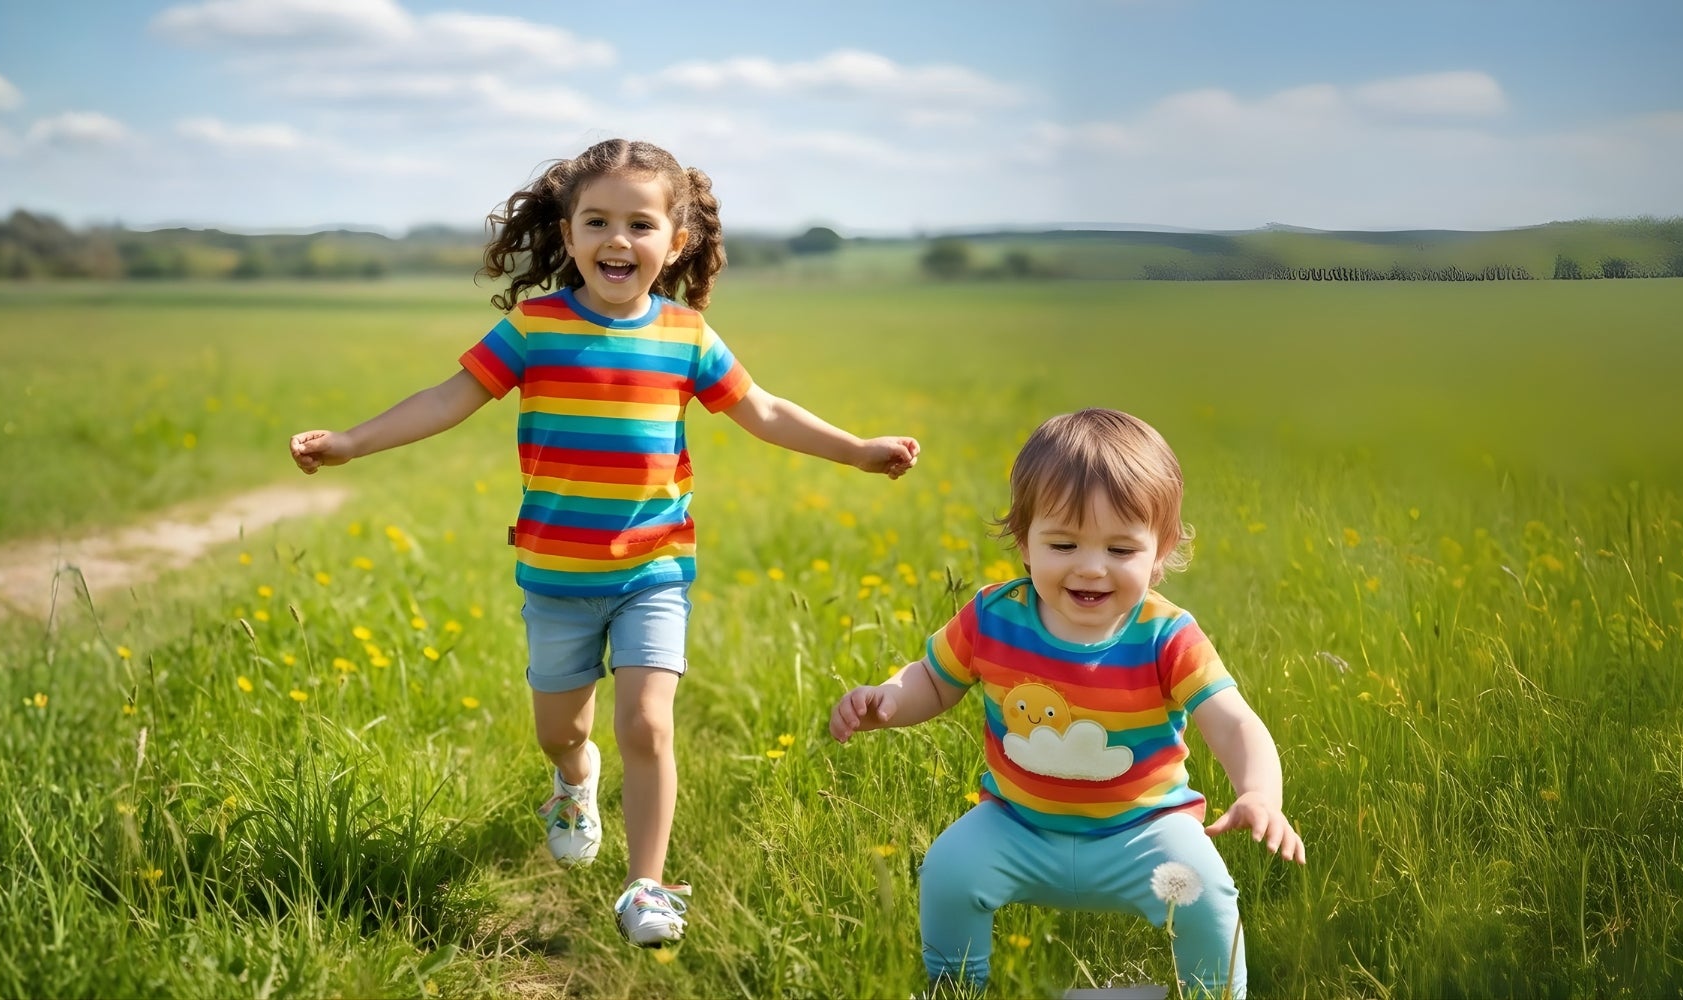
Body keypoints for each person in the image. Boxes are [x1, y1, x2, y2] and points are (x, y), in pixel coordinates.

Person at [287, 138, 919, 946]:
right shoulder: (536, 327)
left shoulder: (687, 336)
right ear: (570, 230)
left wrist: (858, 449)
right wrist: (351, 441)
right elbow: (448, 399)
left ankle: (647, 886)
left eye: (639, 223)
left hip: (655, 569)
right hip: (554, 574)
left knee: (648, 725)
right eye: (597, 221)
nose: (618, 240)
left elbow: (762, 409)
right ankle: (572, 782)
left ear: (674, 241)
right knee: (565, 731)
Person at [827, 408, 1302, 997]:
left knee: (1206, 896)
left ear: (1161, 551)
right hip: (1017, 824)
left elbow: (1232, 722)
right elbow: (934, 679)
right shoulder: (994, 616)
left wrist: (1260, 793)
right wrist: (889, 700)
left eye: (1122, 549)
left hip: (1145, 832)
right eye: (1064, 542)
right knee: (949, 871)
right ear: (1024, 539)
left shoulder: (1167, 634)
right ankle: (956, 987)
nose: (1091, 567)